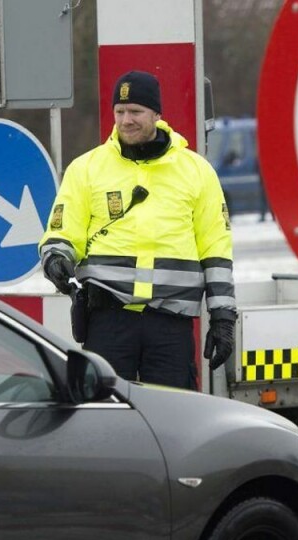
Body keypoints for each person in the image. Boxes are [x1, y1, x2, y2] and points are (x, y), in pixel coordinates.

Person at [38, 70, 236, 389]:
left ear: (157, 114)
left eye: (135, 112)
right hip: (107, 322)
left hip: (170, 326)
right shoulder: (87, 168)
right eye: (119, 111)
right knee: (107, 425)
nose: (126, 120)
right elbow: (61, 233)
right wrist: (56, 259)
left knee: (173, 426)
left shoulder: (197, 172)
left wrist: (223, 318)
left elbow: (216, 250)